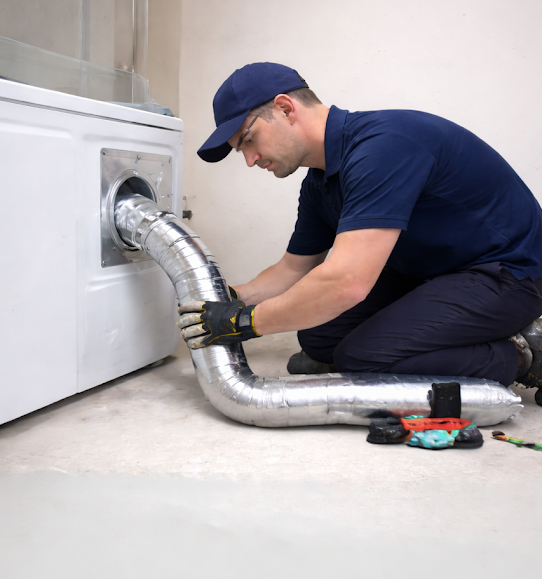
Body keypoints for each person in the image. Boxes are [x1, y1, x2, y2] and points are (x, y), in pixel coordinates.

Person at [178, 61, 542, 390]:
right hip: (435, 272)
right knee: (320, 336)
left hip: (508, 275)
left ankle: (523, 354)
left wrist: (246, 322)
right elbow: (293, 269)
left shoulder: (383, 148)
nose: (250, 160)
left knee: (364, 355)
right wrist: (230, 300)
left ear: (285, 108)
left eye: (248, 140)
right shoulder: (319, 182)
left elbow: (347, 282)